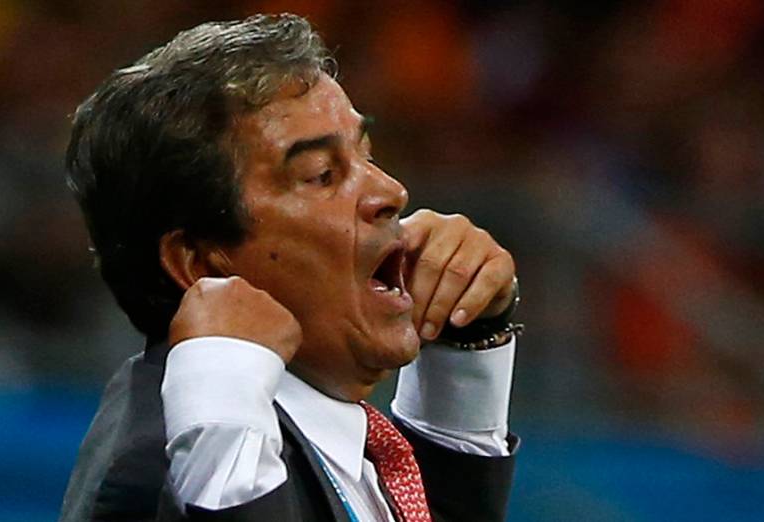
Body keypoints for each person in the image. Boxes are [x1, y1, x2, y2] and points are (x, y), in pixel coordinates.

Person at [59, 13, 521, 522]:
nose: (391, 192)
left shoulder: (332, 443)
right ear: (200, 263)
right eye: (322, 175)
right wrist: (222, 427)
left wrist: (466, 338)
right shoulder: (164, 472)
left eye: (368, 156)